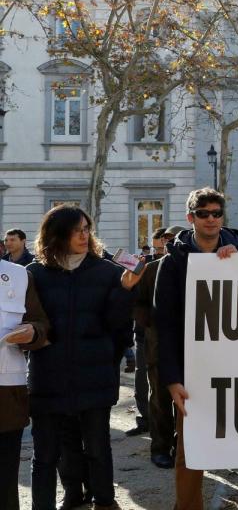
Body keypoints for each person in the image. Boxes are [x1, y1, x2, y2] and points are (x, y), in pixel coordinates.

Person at [154, 188, 238, 510]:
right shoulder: (172, 264)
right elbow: (163, 327)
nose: (211, 219)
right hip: (194, 374)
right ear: (190, 217)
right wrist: (171, 379)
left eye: (216, 213)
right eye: (203, 213)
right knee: (191, 450)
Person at [27, 205, 142, 510]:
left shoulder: (108, 271)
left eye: (86, 228)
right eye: (77, 229)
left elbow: (118, 327)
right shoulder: (34, 274)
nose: (84, 235)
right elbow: (28, 323)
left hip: (94, 375)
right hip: (47, 376)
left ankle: (105, 502)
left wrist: (125, 292)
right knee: (50, 452)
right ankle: (68, 498)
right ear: (57, 234)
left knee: (97, 447)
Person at [133, 225, 185, 471]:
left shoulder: (195, 266)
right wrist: (153, 322)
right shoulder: (151, 269)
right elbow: (138, 303)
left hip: (189, 348)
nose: (171, 242)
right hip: (158, 345)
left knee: (188, 403)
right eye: (168, 239)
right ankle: (160, 448)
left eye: (176, 238)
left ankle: (183, 447)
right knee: (160, 401)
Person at [0, 254, 49, 508]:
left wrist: (33, 333)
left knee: (5, 479)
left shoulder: (19, 275)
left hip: (6, 395)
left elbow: (41, 323)